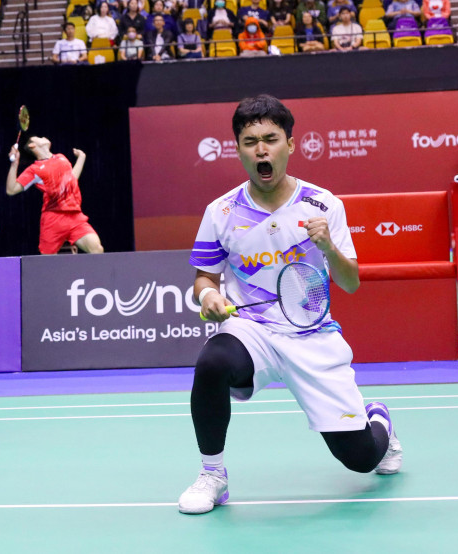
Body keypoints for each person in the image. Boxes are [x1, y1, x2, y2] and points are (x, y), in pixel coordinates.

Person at [177, 95, 402, 515]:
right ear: (239, 150)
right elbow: (204, 277)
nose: (261, 149)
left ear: (290, 145)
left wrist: (328, 246)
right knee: (211, 363)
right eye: (250, 141)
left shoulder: (323, 204)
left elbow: (350, 283)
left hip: (311, 334)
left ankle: (379, 421)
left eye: (270, 139)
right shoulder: (221, 211)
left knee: (361, 459)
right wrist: (208, 297)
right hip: (253, 331)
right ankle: (213, 475)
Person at [6, 137, 104, 255]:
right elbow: (11, 190)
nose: (44, 137)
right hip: (53, 218)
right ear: (32, 146)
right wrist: (14, 164)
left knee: (97, 250)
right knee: (48, 261)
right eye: (39, 137)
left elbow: (72, 179)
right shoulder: (35, 169)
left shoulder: (61, 157)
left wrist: (82, 158)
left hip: (75, 216)